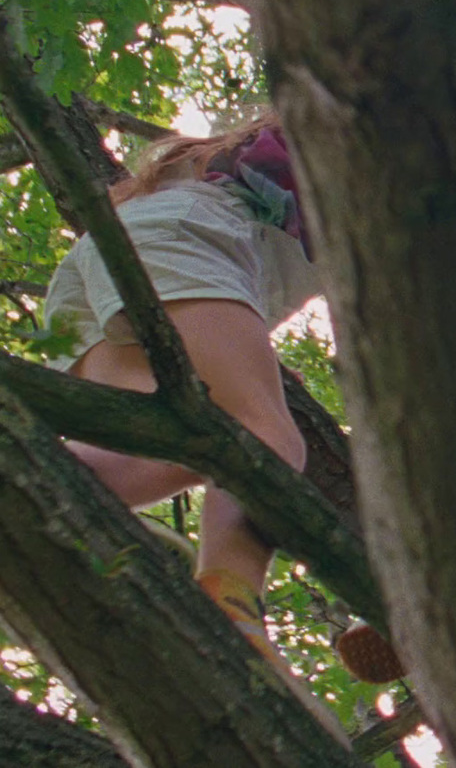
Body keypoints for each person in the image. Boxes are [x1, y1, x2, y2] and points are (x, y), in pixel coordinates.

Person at [41, 113, 341, 736]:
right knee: (264, 439)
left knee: (142, 454)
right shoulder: (351, 145)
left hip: (112, 260)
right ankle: (229, 608)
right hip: (187, 242)